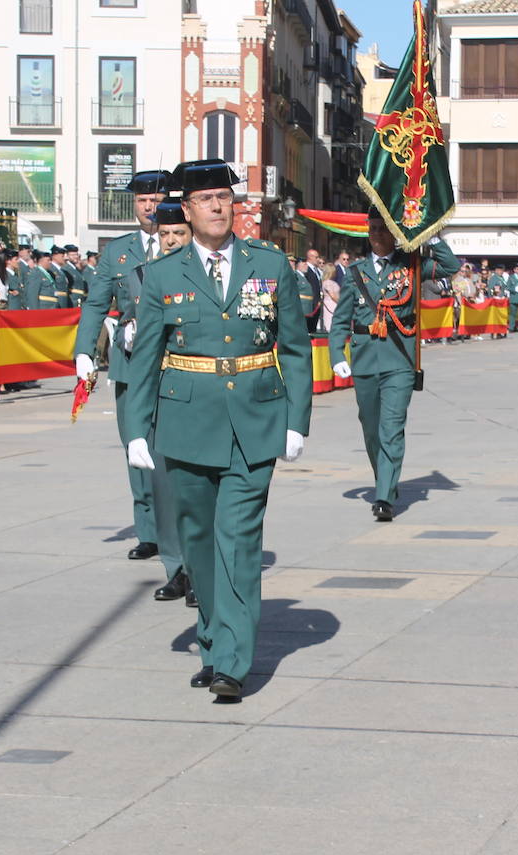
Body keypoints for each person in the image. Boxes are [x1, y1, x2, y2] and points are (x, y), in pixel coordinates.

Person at [123, 158, 313, 700]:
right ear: (186, 209)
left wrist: (296, 420)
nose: (216, 206)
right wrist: (138, 430)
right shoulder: (163, 274)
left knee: (240, 541)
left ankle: (232, 660)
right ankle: (211, 638)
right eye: (204, 199)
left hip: (254, 422)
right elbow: (146, 360)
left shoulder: (271, 266)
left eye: (224, 197)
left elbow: (295, 350)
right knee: (199, 542)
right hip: (185, 425)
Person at [75, 167, 190, 599]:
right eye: (142, 200)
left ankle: (181, 551)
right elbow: (96, 301)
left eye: (155, 198)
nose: (148, 206)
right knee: (137, 451)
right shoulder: (118, 252)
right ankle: (150, 531)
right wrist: (86, 350)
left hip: (178, 366)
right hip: (130, 365)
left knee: (173, 462)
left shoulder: (187, 242)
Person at [328, 209, 460, 522]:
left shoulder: (412, 265)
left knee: (391, 427)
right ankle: (385, 479)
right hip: (363, 360)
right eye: (372, 229)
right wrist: (336, 355)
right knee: (371, 428)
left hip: (398, 361)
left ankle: (384, 495)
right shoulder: (356, 272)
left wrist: (432, 235)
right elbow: (341, 319)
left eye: (383, 229)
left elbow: (450, 267)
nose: (376, 234)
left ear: (394, 233)